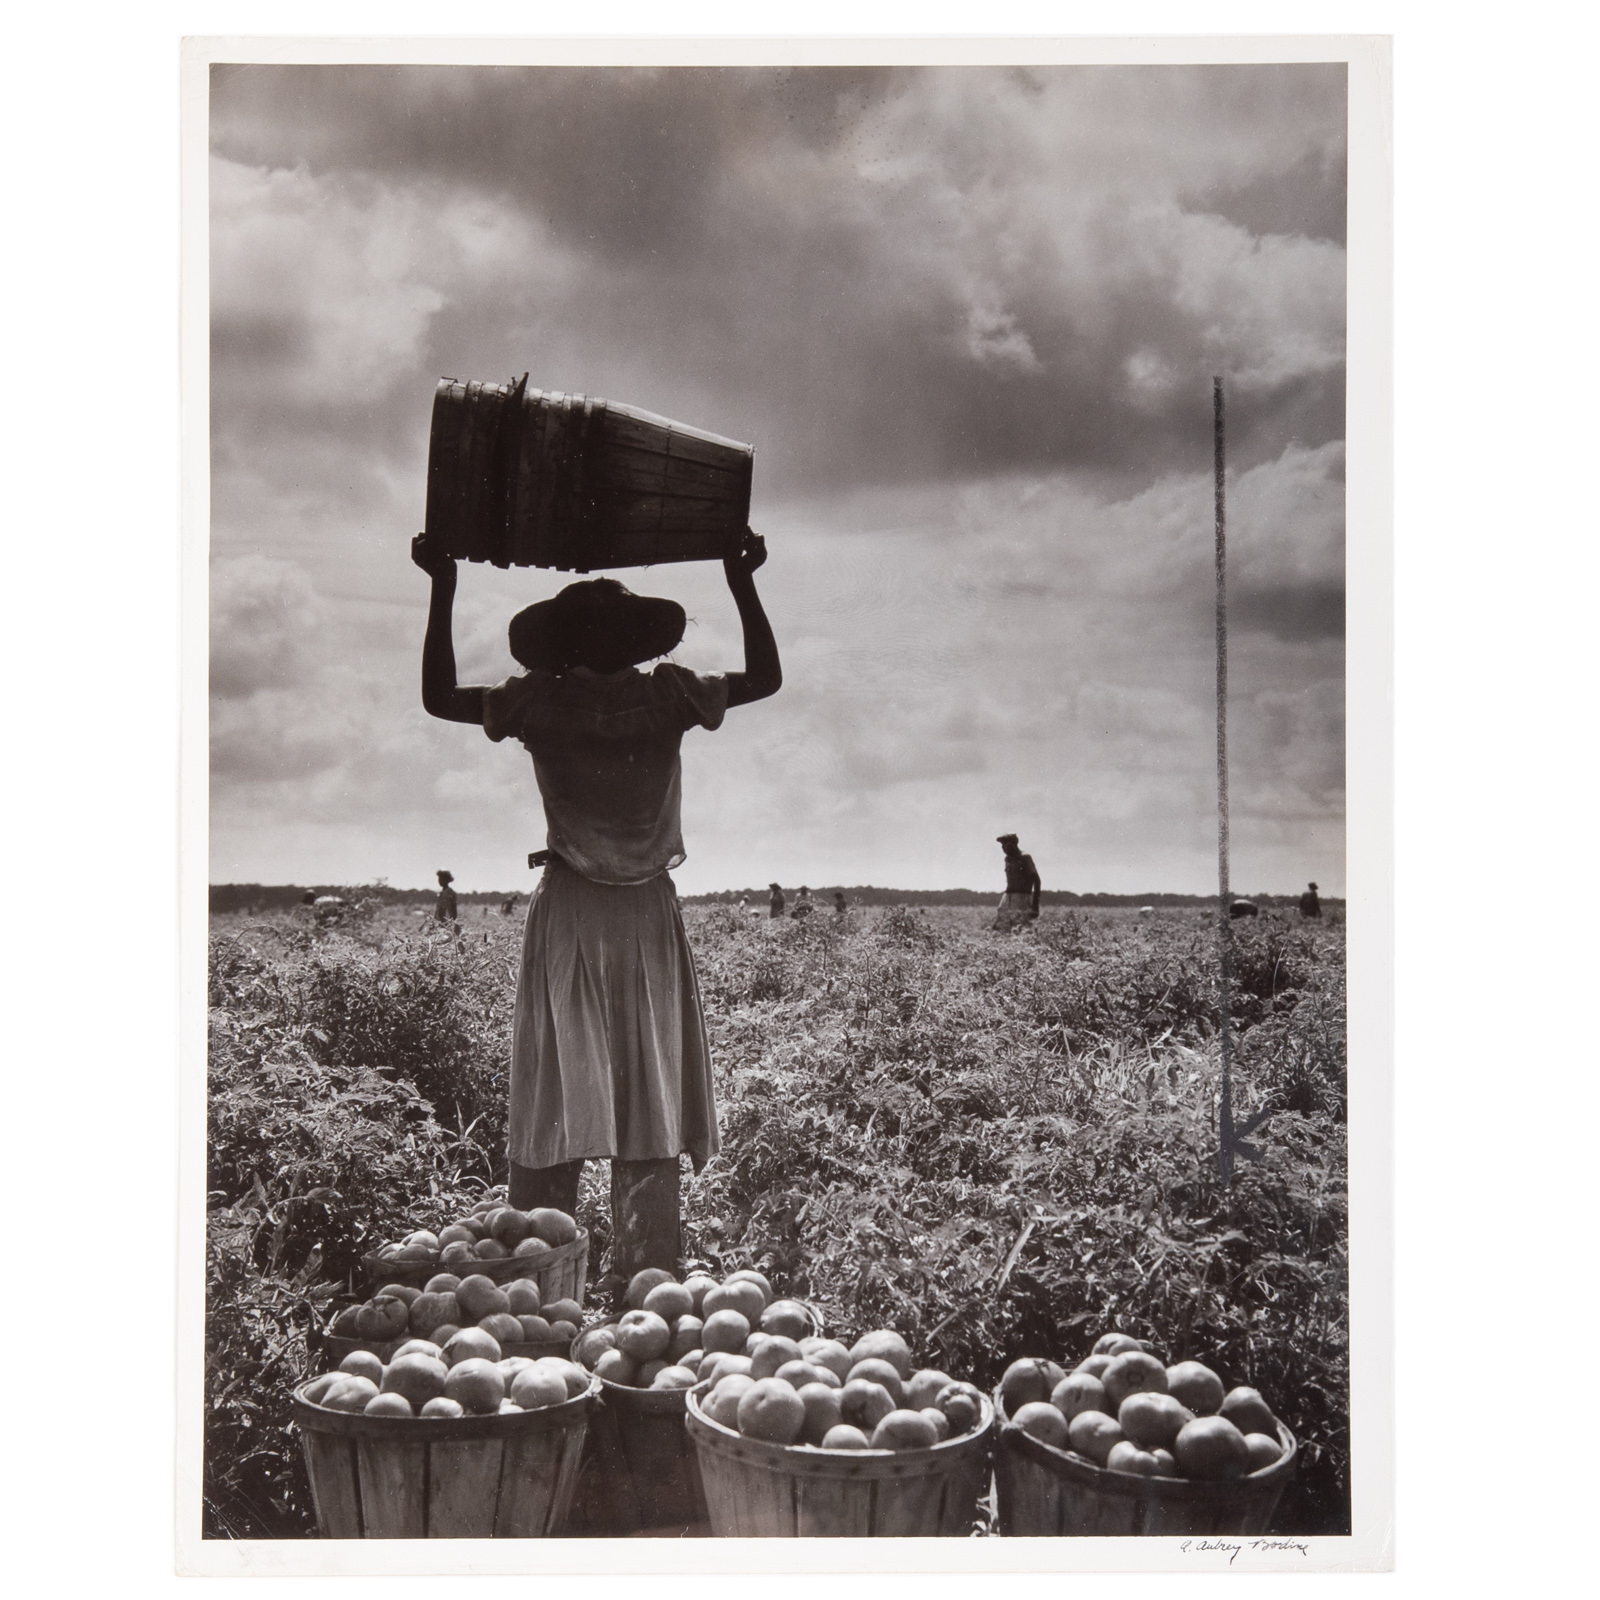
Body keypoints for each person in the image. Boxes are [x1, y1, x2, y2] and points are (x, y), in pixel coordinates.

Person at [412, 525, 780, 1283]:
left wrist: (442, 585)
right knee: (647, 1086)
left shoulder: (543, 703)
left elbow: (438, 696)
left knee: (557, 1088)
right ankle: (644, 1278)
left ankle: (540, 1281)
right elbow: (766, 678)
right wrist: (742, 579)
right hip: (640, 915)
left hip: (578, 913)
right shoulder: (667, 695)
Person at [993, 834, 1041, 931]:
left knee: (1020, 927)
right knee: (1000, 926)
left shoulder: (1025, 857)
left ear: (1012, 845)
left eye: (1005, 845)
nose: (1003, 849)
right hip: (1007, 897)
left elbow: (1037, 880)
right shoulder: (1007, 859)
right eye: (1002, 846)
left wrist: (1035, 905)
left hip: (1022, 897)